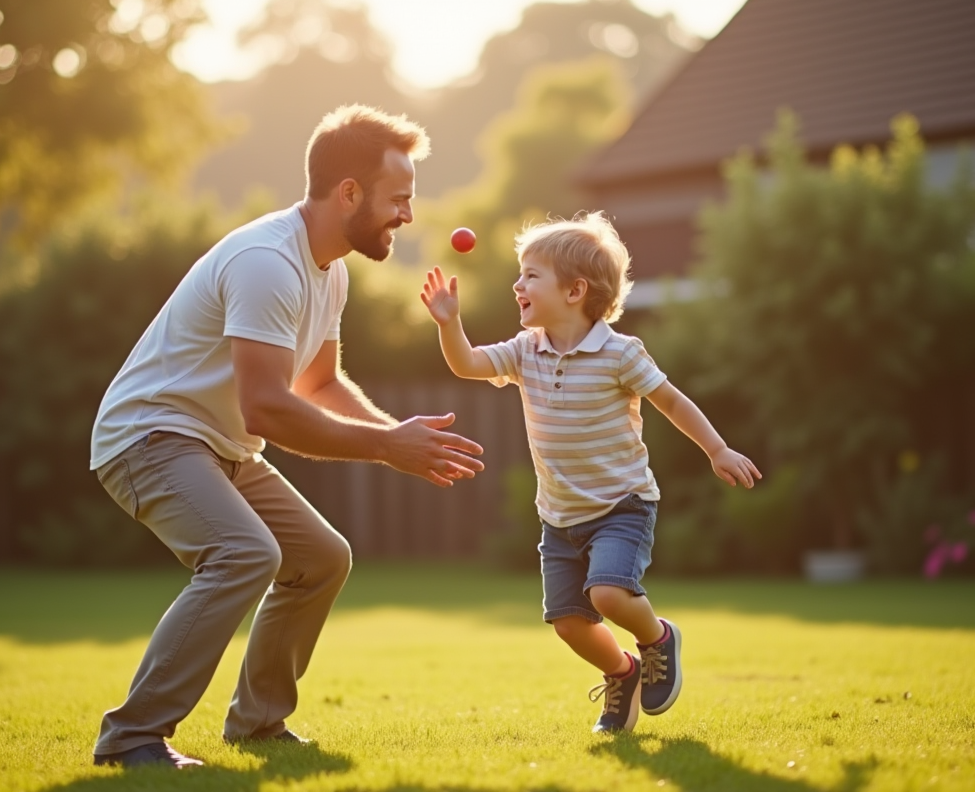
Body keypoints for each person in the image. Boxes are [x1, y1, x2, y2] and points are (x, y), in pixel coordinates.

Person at [88, 105, 485, 768]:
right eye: (399, 199)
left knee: (321, 559)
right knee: (244, 554)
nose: (408, 216)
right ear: (349, 193)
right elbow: (268, 408)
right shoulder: (267, 262)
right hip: (151, 436)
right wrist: (388, 447)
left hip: (221, 447)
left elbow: (320, 384)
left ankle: (258, 724)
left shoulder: (330, 270)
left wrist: (398, 436)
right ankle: (132, 736)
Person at [419, 212, 760, 733]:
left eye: (532, 274)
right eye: (521, 273)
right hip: (559, 517)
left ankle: (658, 640)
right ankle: (622, 673)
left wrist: (717, 450)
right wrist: (449, 323)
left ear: (575, 290)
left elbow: (671, 400)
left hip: (622, 504)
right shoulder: (523, 351)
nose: (518, 284)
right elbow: (466, 364)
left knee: (607, 593)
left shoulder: (619, 353)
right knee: (569, 624)